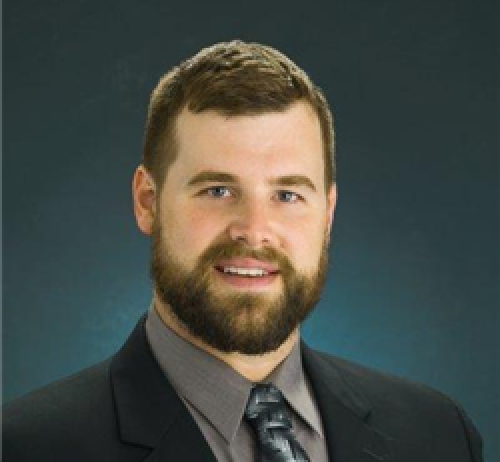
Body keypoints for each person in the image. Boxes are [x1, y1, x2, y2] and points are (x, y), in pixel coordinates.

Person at [0, 40, 483, 462]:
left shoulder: (440, 435)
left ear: (328, 213)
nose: (254, 231)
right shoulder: (27, 447)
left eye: (287, 194)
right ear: (148, 202)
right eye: (217, 190)